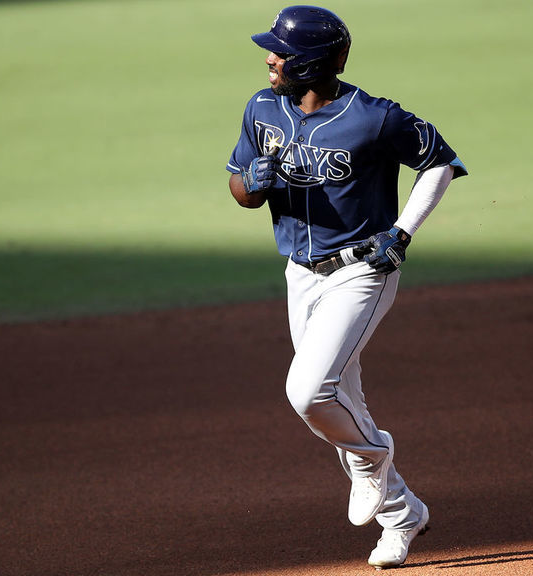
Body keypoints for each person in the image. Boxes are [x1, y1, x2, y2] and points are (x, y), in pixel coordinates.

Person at [226, 5, 467, 569]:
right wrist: (250, 185)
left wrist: (403, 232)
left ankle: (373, 457)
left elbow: (440, 162)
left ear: (310, 63)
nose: (270, 58)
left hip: (362, 272)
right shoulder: (262, 107)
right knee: (342, 400)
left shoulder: (373, 117)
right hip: (299, 274)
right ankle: (401, 514)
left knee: (310, 393)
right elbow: (240, 186)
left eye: (280, 52)